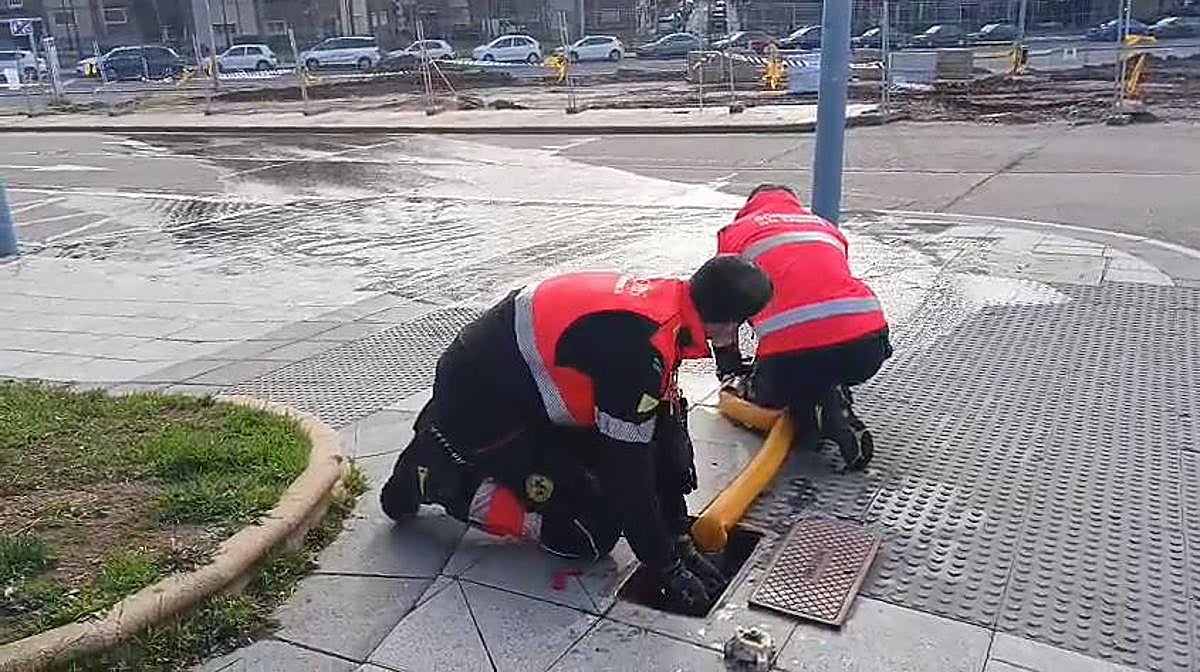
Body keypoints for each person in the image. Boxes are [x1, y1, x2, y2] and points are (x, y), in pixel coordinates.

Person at [380, 257, 773, 615]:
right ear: (723, 320)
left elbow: (659, 431)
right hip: (484, 412)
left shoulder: (669, 308)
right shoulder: (639, 349)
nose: (743, 332)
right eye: (742, 323)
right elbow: (629, 472)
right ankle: (441, 477)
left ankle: (456, 446)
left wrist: (678, 535)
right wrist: (665, 562)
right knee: (589, 532)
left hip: (520, 388)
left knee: (646, 461)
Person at [714, 184, 892, 471]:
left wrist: (729, 368)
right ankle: (832, 400)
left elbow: (723, 303)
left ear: (749, 207)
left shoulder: (735, 232)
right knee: (820, 358)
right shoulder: (824, 226)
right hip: (867, 345)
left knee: (765, 390)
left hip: (792, 358)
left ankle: (819, 411)